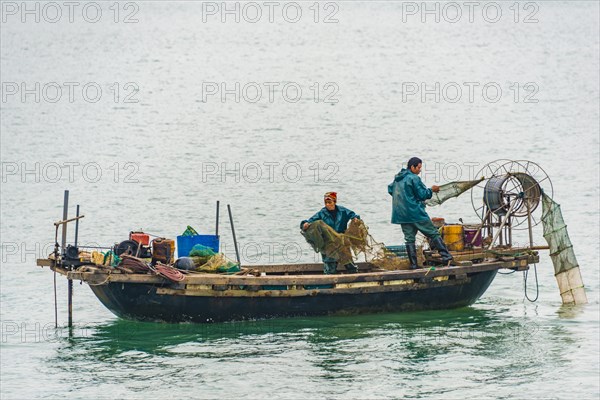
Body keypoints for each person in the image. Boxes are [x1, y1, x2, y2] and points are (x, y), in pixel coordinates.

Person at [388, 157, 455, 269]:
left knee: (409, 239)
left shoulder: (397, 179)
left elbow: (390, 190)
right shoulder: (414, 178)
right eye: (418, 167)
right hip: (415, 213)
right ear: (412, 167)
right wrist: (432, 190)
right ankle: (446, 256)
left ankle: (414, 265)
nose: (420, 170)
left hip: (401, 215)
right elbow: (423, 194)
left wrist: (405, 198)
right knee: (433, 233)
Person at [301, 192, 361, 274]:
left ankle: (354, 278)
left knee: (350, 264)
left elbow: (353, 215)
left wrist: (355, 218)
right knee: (330, 267)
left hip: (342, 242)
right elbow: (310, 221)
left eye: (330, 202)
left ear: (335, 202)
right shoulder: (322, 213)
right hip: (328, 244)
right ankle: (329, 281)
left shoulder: (342, 211)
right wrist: (304, 224)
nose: (327, 205)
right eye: (326, 203)